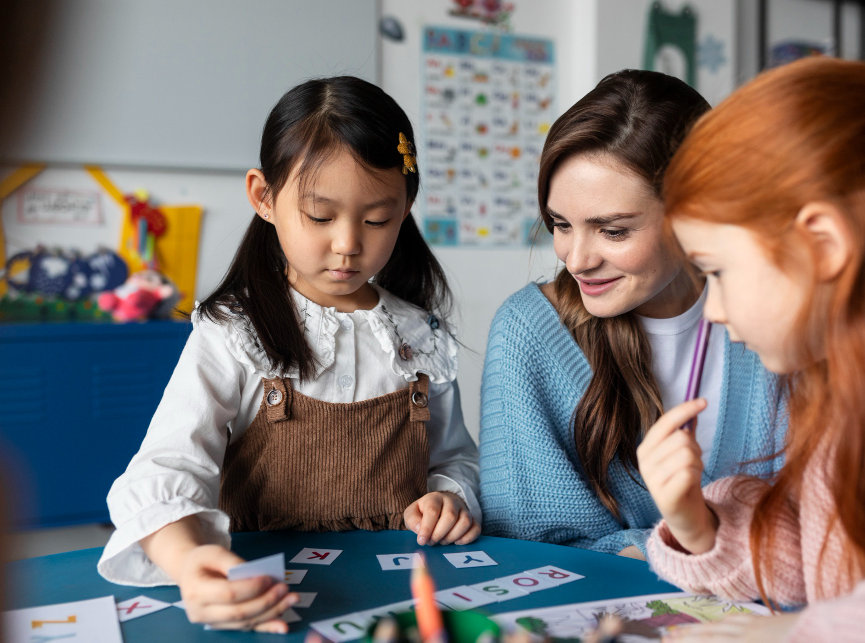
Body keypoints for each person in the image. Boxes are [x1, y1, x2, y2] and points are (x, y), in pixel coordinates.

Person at [98, 76, 481, 634]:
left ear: (406, 206)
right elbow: (168, 464)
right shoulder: (234, 331)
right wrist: (187, 562)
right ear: (264, 198)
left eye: (378, 218)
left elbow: (454, 459)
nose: (349, 242)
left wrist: (449, 496)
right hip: (265, 591)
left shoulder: (420, 333)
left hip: (398, 590)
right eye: (321, 216)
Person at [640, 58, 865, 641]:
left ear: (822, 243)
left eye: (717, 270)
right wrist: (698, 525)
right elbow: (819, 558)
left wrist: (794, 635)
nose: (711, 308)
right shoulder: (847, 396)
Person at [479, 70, 786, 559]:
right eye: (560, 224)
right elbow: (530, 550)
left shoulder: (777, 325)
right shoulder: (528, 333)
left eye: (613, 231)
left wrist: (674, 544)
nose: (576, 259)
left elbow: (810, 529)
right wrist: (690, 542)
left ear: (694, 211)